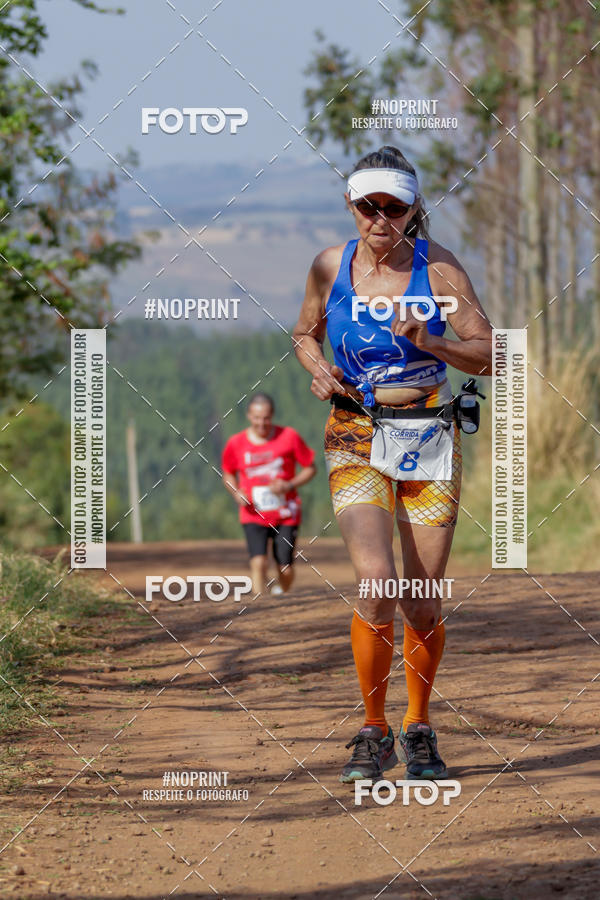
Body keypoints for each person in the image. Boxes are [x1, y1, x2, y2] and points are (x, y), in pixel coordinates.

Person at [292, 145, 492, 783]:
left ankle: (420, 726)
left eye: (394, 206)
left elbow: (489, 352)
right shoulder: (330, 266)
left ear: (413, 209)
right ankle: (373, 729)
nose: (380, 218)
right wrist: (319, 370)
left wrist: (431, 339)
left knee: (422, 601)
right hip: (355, 431)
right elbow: (304, 333)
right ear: (350, 205)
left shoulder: (439, 270)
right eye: (367, 205)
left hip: (428, 434)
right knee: (376, 585)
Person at [221, 392, 316, 596]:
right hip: (252, 513)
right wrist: (236, 491)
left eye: (265, 418)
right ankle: (260, 607)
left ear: (271, 416)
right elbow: (228, 472)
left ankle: (281, 594)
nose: (261, 423)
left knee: (285, 569)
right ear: (248, 416)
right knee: (258, 562)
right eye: (256, 418)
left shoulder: (289, 437)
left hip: (286, 514)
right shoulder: (236, 443)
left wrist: (289, 484)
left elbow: (310, 468)